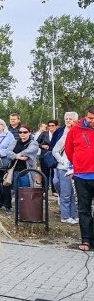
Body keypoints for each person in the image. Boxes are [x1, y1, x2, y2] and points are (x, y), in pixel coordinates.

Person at [63, 106, 94, 252]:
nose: (92, 121)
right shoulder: (75, 130)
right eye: (90, 118)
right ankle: (86, 240)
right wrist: (78, 163)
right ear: (85, 116)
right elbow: (69, 150)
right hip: (81, 176)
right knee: (84, 209)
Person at [3, 125, 39, 209]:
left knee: (26, 192)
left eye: (25, 132)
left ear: (29, 133)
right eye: (20, 132)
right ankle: (19, 212)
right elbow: (8, 152)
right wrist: (17, 156)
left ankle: (26, 211)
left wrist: (18, 154)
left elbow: (29, 151)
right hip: (14, 170)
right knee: (16, 192)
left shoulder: (33, 143)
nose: (22, 134)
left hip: (27, 171)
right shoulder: (15, 142)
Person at [52, 112, 79, 224]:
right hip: (64, 168)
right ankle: (65, 216)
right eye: (66, 119)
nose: (68, 121)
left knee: (74, 194)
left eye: (71, 119)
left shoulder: (78, 132)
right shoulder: (64, 134)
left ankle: (74, 215)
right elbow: (55, 150)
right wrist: (63, 161)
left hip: (77, 167)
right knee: (66, 193)